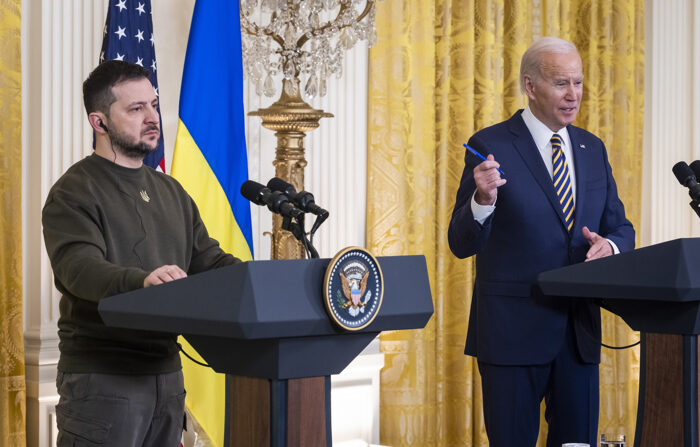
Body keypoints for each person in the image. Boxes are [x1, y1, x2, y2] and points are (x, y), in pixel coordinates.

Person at [448, 37, 635, 447]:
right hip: (513, 334)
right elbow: (460, 242)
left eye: (579, 83)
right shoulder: (490, 145)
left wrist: (611, 247)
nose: (574, 95)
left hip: (577, 336)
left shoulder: (592, 148)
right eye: (561, 83)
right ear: (530, 86)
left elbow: (621, 228)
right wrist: (482, 200)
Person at [42, 60, 240, 446]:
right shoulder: (74, 191)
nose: (152, 118)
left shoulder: (171, 191)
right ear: (98, 122)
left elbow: (210, 263)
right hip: (103, 380)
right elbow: (78, 268)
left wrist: (259, 281)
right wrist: (143, 282)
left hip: (167, 377)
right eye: (136, 109)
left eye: (153, 104)